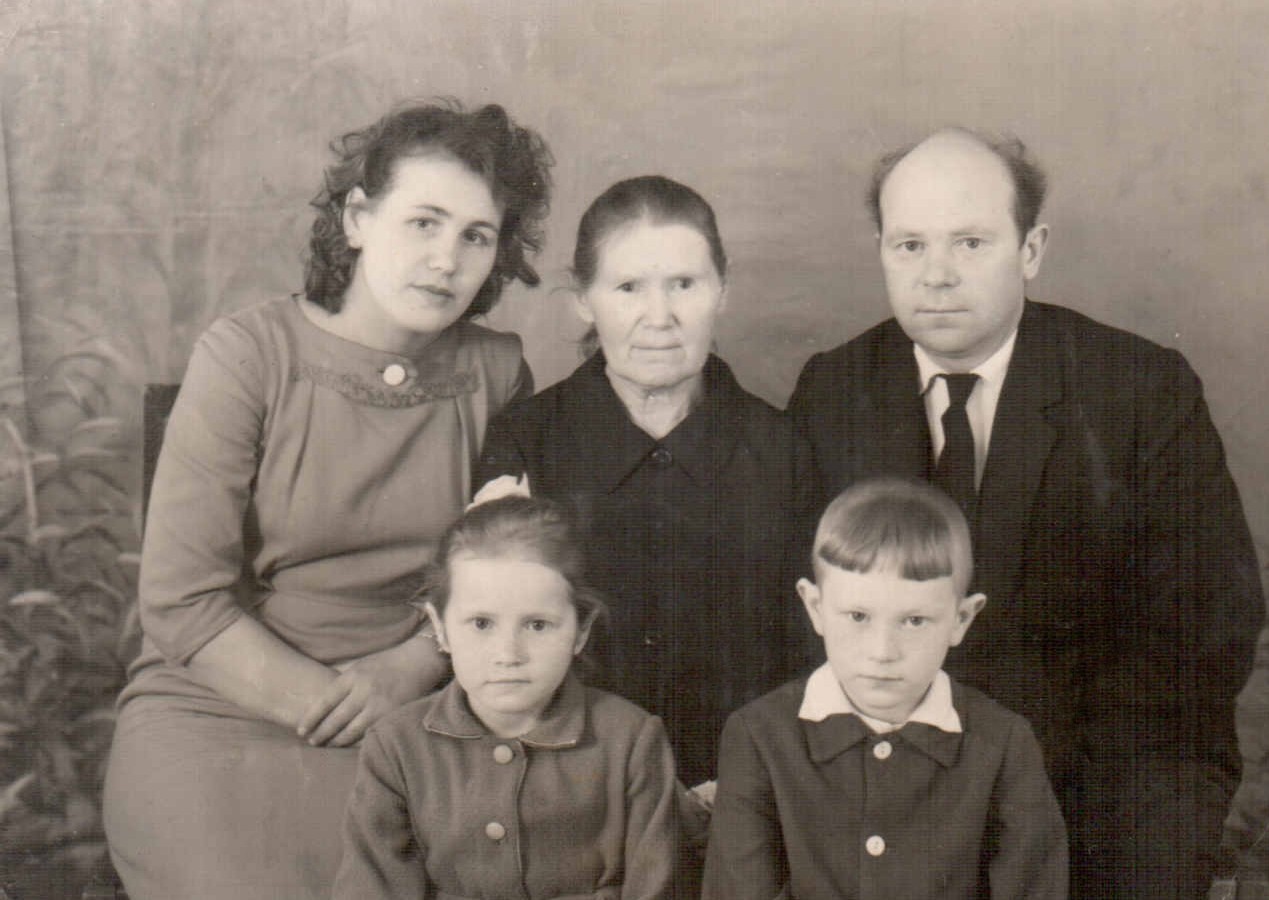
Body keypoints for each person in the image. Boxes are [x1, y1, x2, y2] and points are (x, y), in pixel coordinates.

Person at [787, 127, 1265, 897]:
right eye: (909, 246)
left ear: (1030, 249)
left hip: (1101, 757)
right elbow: (800, 621)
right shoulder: (833, 389)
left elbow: (1202, 632)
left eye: (970, 243)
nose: (936, 275)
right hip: (892, 743)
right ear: (880, 250)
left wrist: (1010, 767)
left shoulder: (1140, 389)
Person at [102, 100, 553, 899]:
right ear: (357, 219)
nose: (445, 260)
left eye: (475, 236)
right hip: (222, 711)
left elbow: (507, 575)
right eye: (423, 222)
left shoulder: (498, 374)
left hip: (422, 707)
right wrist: (336, 704)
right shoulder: (246, 357)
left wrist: (412, 668)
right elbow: (180, 601)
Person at [475, 174, 813, 788]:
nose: (660, 318)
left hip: (744, 788)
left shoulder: (784, 449)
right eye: (628, 287)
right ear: (584, 298)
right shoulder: (525, 440)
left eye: (684, 284)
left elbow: (809, 654)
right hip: (567, 786)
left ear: (723, 288)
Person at [703, 477, 1068, 899]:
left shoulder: (1004, 743)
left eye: (914, 621)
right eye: (858, 616)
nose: (882, 652)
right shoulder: (759, 735)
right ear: (815, 607)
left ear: (962, 619)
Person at [332, 492, 678, 899]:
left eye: (537, 625)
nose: (508, 654)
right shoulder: (396, 746)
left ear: (581, 631)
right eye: (481, 624)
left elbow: (657, 887)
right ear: (439, 628)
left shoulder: (631, 740)